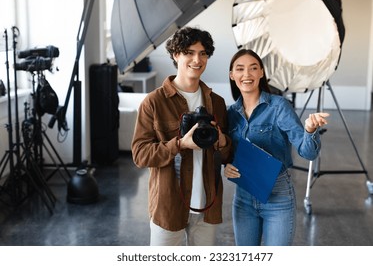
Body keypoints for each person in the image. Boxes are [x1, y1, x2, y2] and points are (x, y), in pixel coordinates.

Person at [131, 27, 232, 246]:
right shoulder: (154, 102)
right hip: (168, 206)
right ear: (176, 55)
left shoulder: (217, 103)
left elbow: (226, 155)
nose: (197, 59)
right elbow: (140, 155)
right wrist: (179, 144)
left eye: (203, 53)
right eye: (189, 52)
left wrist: (223, 142)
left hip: (207, 205)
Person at [224, 49, 329, 246]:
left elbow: (308, 152)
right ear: (232, 75)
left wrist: (310, 130)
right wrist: (226, 164)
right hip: (244, 198)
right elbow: (226, 151)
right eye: (240, 69)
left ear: (261, 73)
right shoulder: (230, 113)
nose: (247, 74)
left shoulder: (279, 106)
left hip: (278, 197)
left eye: (253, 68)